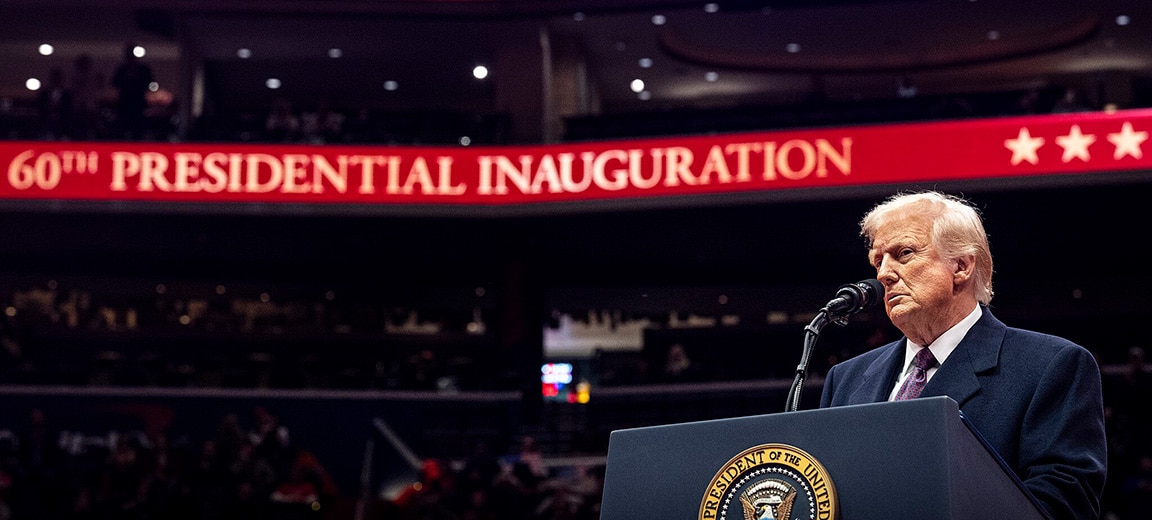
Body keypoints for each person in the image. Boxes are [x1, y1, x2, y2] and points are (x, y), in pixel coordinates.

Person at [819, 191, 1106, 520]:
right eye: (878, 261)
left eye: (904, 253)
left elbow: (1062, 506)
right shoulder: (846, 379)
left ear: (961, 267)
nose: (883, 274)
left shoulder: (1051, 366)